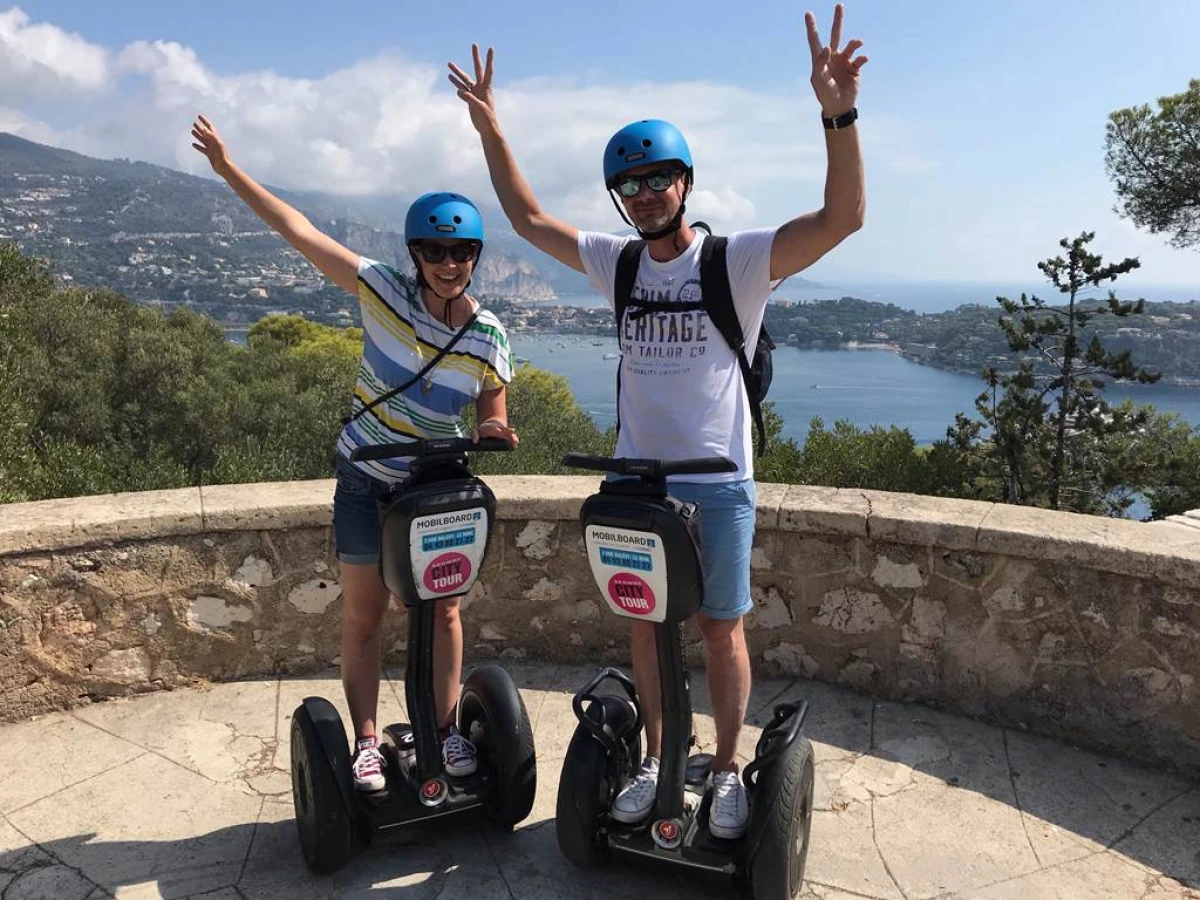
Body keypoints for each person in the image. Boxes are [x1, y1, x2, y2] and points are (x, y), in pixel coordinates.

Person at [448, 3, 865, 838]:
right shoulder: (620, 263)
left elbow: (841, 219)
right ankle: (654, 760)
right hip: (637, 482)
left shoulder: (735, 261)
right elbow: (530, 221)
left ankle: (722, 768)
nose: (642, 196)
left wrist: (837, 113)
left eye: (656, 179)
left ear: (686, 181)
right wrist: (492, 130)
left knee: (720, 629)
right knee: (644, 622)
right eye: (629, 186)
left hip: (718, 482)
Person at [191, 116, 520, 791]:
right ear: (415, 255)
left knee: (445, 614)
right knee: (364, 615)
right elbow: (301, 233)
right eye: (435, 252)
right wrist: (229, 170)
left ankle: (449, 729)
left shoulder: (489, 333)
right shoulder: (383, 293)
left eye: (461, 253)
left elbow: (493, 401)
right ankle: (368, 742)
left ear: (476, 257)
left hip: (433, 493)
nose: (449, 264)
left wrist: (493, 429)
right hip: (367, 481)